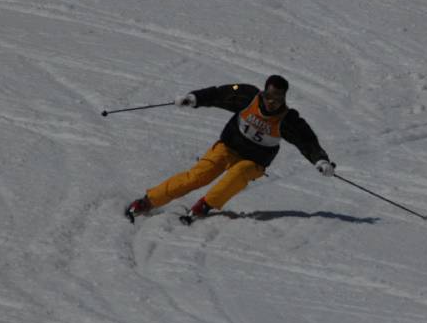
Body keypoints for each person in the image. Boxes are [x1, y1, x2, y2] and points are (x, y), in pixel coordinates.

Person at [125, 75, 335, 222]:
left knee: (238, 173)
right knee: (198, 176)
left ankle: (205, 205)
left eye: (278, 99)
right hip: (228, 147)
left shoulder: (288, 119)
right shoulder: (247, 96)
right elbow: (220, 94)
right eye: (269, 96)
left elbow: (307, 141)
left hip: (254, 161)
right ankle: (148, 201)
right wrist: (194, 98)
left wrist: (320, 160)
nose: (273, 102)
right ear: (263, 93)